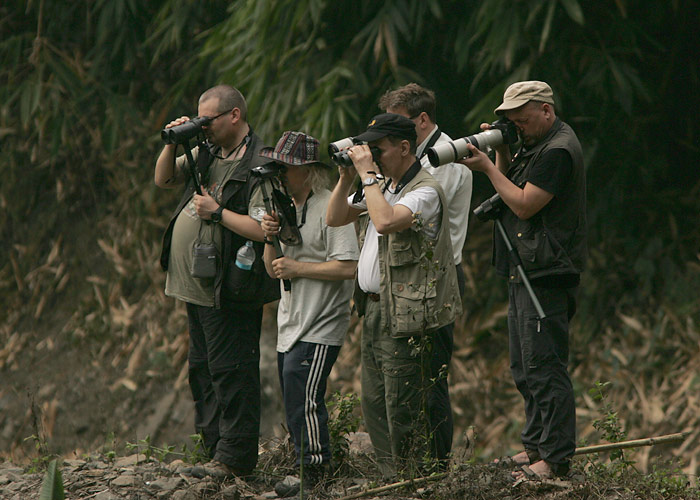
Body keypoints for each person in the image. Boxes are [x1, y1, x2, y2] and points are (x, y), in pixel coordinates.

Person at [460, 81, 586, 480]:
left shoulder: (558, 151)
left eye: (523, 120)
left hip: (547, 271)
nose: (519, 127)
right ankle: (534, 446)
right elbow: (515, 182)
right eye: (511, 122)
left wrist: (486, 168)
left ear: (546, 111)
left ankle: (555, 457)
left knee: (545, 364)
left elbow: (525, 204)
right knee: (524, 365)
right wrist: (500, 149)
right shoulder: (537, 144)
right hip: (526, 266)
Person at [326, 113, 462, 477]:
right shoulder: (381, 186)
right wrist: (346, 178)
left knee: (405, 406)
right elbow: (335, 216)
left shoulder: (426, 191)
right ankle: (392, 479)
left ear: (405, 147)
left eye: (378, 150)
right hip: (372, 310)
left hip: (407, 315)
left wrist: (368, 176)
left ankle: (417, 480)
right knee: (375, 404)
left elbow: (385, 222)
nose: (373, 157)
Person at [155, 84, 278, 478]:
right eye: (199, 119)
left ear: (234, 116)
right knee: (203, 370)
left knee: (233, 371)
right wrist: (173, 143)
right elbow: (163, 179)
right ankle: (213, 452)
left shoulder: (259, 161)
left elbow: (264, 230)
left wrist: (217, 211)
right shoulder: (208, 151)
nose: (203, 127)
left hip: (231, 289)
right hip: (196, 288)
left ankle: (236, 458)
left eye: (208, 120)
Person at [251, 131, 359, 497]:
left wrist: (299, 268)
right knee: (293, 396)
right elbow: (273, 270)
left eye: (287, 167)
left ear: (309, 170)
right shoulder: (286, 209)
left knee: (307, 399)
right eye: (278, 166)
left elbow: (348, 267)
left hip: (321, 321)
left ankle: (316, 471)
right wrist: (269, 238)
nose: (280, 173)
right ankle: (303, 465)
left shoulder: (331, 206)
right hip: (291, 320)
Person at [379, 83, 473, 464]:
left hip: (436, 275)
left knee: (431, 379)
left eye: (399, 125)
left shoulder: (446, 161)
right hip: (404, 276)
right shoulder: (409, 159)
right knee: (403, 379)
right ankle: (407, 463)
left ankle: (435, 464)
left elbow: (403, 216)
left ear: (422, 120)